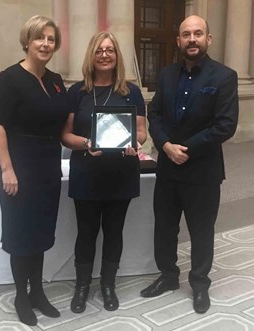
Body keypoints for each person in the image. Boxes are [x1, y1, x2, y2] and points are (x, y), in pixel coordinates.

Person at [140, 15, 239, 314]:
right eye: (186, 34)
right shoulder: (167, 74)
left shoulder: (224, 76)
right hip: (168, 167)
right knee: (165, 227)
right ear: (178, 41)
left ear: (208, 39)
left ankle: (199, 284)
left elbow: (226, 125)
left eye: (198, 33)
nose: (192, 39)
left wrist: (186, 148)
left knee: (201, 230)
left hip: (203, 171)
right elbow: (154, 114)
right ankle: (168, 276)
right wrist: (166, 146)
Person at [0, 15, 69, 326]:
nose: (46, 43)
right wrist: (7, 169)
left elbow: (64, 125)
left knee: (40, 232)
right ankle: (22, 296)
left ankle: (38, 292)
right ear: (27, 42)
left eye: (50, 38)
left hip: (48, 164)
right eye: (39, 38)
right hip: (18, 166)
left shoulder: (57, 80)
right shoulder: (9, 78)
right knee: (21, 234)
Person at [61, 31, 147, 313]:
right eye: (99, 50)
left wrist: (134, 143)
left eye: (110, 50)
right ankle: (82, 286)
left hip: (121, 172)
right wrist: (87, 143)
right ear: (92, 55)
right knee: (86, 233)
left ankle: (107, 285)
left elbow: (142, 133)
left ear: (117, 56)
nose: (105, 54)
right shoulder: (78, 92)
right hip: (87, 172)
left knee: (114, 231)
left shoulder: (131, 91)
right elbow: (66, 136)